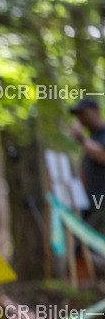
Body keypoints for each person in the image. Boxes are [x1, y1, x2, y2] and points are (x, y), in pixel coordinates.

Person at [69, 98, 105, 234]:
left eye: (83, 113)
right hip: (92, 206)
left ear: (96, 111)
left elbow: (102, 155)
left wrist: (81, 138)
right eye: (78, 115)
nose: (80, 118)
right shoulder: (92, 139)